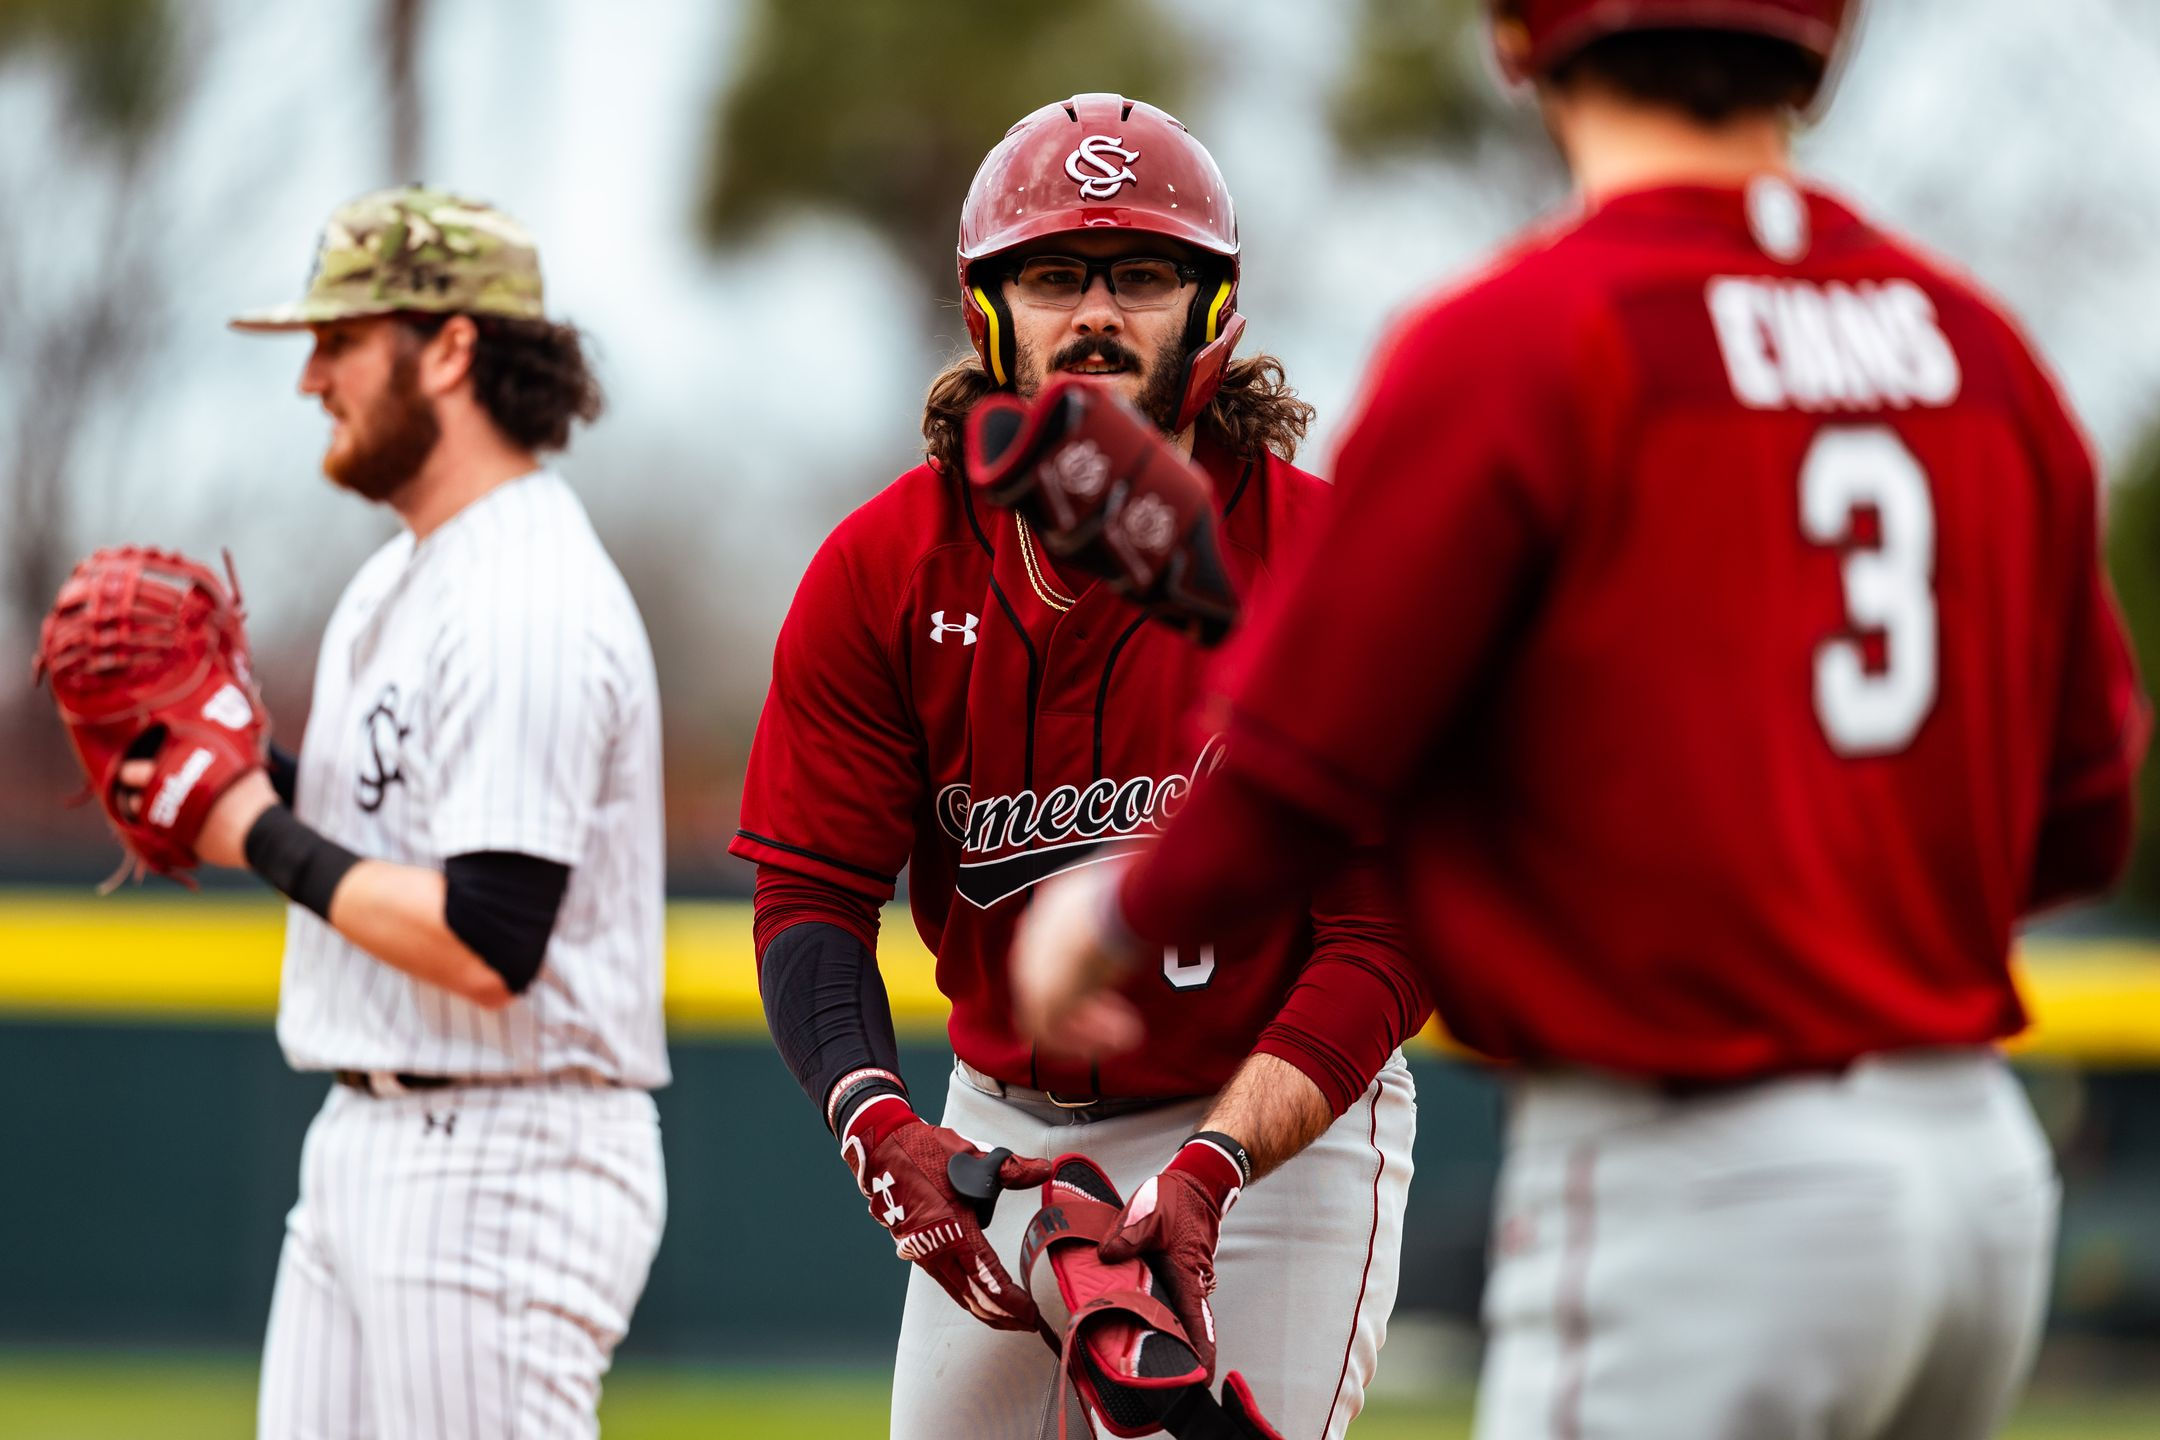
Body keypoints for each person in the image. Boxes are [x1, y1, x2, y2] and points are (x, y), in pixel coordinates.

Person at [1005, 8, 2152, 1440]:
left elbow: (1303, 774)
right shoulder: (1976, 348)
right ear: (1829, 38)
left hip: (1704, 1182)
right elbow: (2089, 818)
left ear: (1512, 38)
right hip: (1975, 1178)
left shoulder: (1518, 342)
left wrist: (1116, 918)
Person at [731, 94, 1426, 1438]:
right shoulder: (885, 569)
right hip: (1003, 1124)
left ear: (1211, 311)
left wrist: (1216, 1167)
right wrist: (881, 1124)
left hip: (1272, 1121)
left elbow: (1384, 938)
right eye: (1054, 274)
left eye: (1143, 274)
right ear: (992, 307)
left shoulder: (1324, 565)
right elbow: (811, 896)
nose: (1096, 312)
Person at [186, 185, 668, 1438]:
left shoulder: (525, 594)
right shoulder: (407, 577)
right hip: (377, 1137)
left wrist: (247, 822)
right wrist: (240, 778)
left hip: (503, 1155)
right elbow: (390, 834)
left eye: (338, 340)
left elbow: (487, 936)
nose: (311, 378)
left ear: (451, 346)